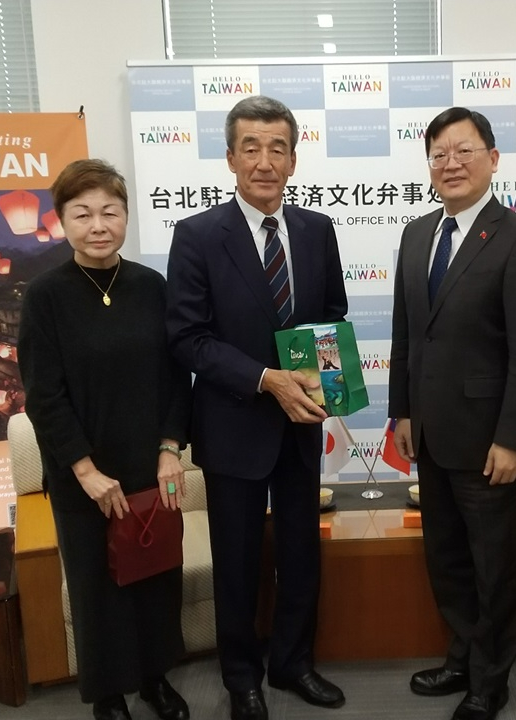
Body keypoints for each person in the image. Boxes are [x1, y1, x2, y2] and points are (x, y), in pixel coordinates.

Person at [166, 95, 348, 720]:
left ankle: (294, 663)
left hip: (302, 425)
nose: (265, 161)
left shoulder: (317, 230)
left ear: (293, 160)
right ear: (230, 158)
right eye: (251, 147)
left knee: (300, 552)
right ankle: (241, 677)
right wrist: (266, 379)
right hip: (233, 424)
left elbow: (332, 317)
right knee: (237, 562)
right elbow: (188, 337)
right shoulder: (197, 236)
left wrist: (326, 386)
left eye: (277, 148)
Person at [388, 107, 516, 720]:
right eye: (439, 154)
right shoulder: (416, 233)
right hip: (431, 434)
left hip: (488, 441)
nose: (450, 163)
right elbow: (408, 335)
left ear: (493, 158)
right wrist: (403, 412)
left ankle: (491, 679)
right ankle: (461, 657)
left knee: (493, 565)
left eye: (464, 151)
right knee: (448, 558)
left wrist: (513, 438)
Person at [19, 159, 191, 720]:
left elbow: (177, 376)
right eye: (83, 214)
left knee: (156, 578)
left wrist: (170, 449)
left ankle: (155, 680)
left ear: (126, 216)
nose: (98, 225)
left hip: (150, 466)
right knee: (97, 588)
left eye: (110, 212)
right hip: (84, 476)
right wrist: (86, 470)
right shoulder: (45, 296)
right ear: (61, 220)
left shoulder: (151, 286)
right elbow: (44, 396)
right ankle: (108, 695)